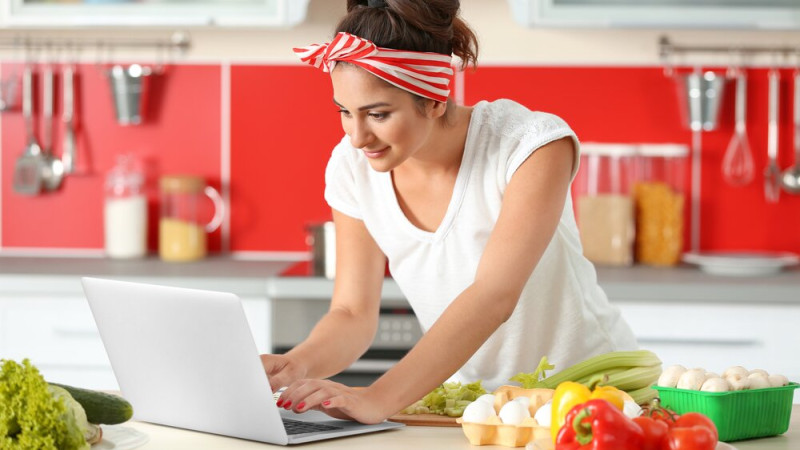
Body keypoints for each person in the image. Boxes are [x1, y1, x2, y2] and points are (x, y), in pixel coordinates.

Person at [260, 0, 638, 425]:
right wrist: (298, 363)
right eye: (344, 112)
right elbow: (351, 313)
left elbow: (493, 296)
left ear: (436, 99)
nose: (357, 136)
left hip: (593, 391)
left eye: (378, 114)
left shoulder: (530, 146)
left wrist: (380, 397)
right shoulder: (352, 167)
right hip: (479, 405)